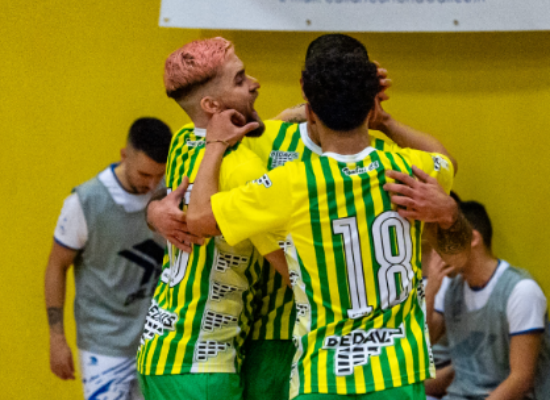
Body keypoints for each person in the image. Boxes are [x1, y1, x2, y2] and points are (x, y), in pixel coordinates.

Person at [187, 36, 471, 399]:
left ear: (309, 112)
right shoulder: (410, 169)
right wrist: (448, 213)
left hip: (323, 376)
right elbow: (446, 164)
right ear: (371, 107)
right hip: (398, 374)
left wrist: (214, 144)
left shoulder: (292, 183)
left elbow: (198, 219)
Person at [135, 37, 286, 400]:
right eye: (240, 79)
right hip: (202, 364)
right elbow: (289, 267)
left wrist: (153, 212)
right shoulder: (242, 169)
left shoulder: (183, 140)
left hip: (161, 348)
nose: (255, 83)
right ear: (211, 105)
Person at [45, 117, 172, 400]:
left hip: (157, 341)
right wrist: (57, 337)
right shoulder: (85, 202)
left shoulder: (169, 194)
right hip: (104, 347)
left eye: (159, 175)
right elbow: (56, 265)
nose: (152, 184)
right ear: (124, 156)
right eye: (144, 174)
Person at [426, 201, 550, 400]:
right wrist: (430, 290)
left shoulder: (521, 290)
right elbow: (425, 342)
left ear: (473, 239)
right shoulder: (450, 287)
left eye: (444, 241)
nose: (437, 251)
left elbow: (521, 379)